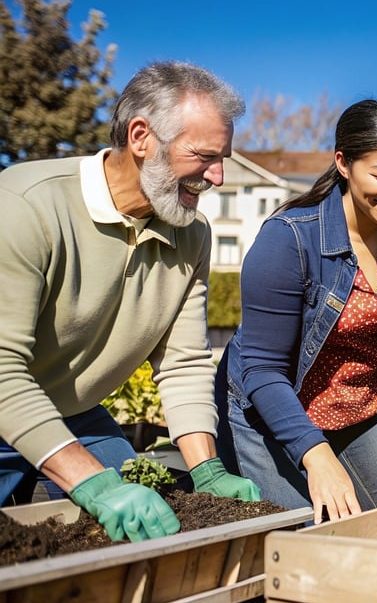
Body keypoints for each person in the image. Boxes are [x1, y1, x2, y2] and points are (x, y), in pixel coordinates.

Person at [0, 62, 260, 542]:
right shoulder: (25, 206)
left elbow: (182, 362)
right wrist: (93, 481)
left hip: (73, 413)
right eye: (203, 155)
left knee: (155, 525)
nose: (219, 176)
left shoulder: (192, 234)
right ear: (141, 138)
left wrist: (206, 471)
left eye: (222, 157)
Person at [217, 100, 377, 524]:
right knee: (311, 534)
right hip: (272, 413)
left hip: (358, 409)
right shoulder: (289, 239)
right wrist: (318, 458)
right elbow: (261, 369)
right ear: (343, 164)